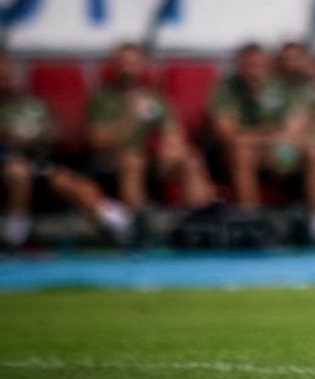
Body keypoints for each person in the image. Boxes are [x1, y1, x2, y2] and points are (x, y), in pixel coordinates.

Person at [208, 42, 315, 241]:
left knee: (314, 151)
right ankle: (250, 222)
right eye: (248, 64)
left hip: (279, 153)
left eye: (258, 64)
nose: (254, 69)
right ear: (238, 65)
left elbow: (295, 127)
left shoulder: (283, 87)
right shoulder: (226, 89)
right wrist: (271, 135)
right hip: (243, 154)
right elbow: (229, 136)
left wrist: (278, 138)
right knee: (241, 153)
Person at [1, 50, 131, 247]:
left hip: (40, 164)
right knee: (17, 171)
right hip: (8, 167)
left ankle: (119, 225)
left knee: (68, 181)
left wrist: (34, 136)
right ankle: (16, 232)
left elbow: (56, 132)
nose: (4, 74)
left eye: (6, 69)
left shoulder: (32, 103)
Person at [85, 41, 213, 222]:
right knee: (133, 161)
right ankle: (139, 223)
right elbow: (97, 140)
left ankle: (202, 219)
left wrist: (171, 149)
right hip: (113, 159)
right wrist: (129, 118)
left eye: (133, 63)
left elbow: (172, 130)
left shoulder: (152, 97)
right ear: (115, 66)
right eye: (124, 63)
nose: (128, 69)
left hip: (150, 159)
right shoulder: (102, 98)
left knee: (190, 159)